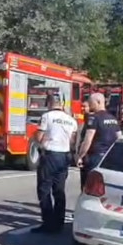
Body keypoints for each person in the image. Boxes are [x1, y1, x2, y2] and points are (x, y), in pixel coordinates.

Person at [32, 92, 77, 234]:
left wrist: (39, 139)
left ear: (49, 103)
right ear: (62, 104)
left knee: (44, 190)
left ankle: (48, 223)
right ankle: (59, 224)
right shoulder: (71, 120)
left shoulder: (47, 117)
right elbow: (72, 141)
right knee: (59, 191)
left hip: (50, 156)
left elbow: (39, 137)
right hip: (64, 157)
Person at [76, 92, 121, 188]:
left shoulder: (94, 118)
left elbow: (88, 139)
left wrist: (80, 156)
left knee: (88, 187)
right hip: (108, 158)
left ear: (99, 102)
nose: (90, 105)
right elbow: (119, 138)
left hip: (95, 157)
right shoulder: (113, 119)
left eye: (91, 103)